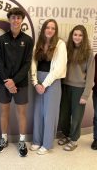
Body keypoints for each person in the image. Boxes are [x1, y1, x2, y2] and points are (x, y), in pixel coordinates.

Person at [0, 7, 33, 157]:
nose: (16, 20)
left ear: (21, 20)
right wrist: (8, 82)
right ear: (9, 19)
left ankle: (22, 141)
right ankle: (4, 139)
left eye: (18, 18)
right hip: (4, 83)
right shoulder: (1, 40)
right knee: (4, 112)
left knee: (21, 113)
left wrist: (14, 81)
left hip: (20, 84)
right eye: (13, 17)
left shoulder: (28, 40)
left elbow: (27, 64)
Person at [30, 19, 67, 155]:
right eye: (47, 27)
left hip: (52, 81)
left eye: (53, 28)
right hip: (38, 81)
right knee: (38, 112)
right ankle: (36, 141)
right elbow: (33, 63)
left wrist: (44, 84)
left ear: (55, 31)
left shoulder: (60, 44)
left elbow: (59, 68)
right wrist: (35, 82)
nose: (50, 30)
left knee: (49, 114)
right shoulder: (38, 43)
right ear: (43, 29)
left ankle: (46, 144)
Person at [57, 25, 95, 151]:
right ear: (71, 35)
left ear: (84, 37)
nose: (77, 37)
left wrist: (85, 94)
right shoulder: (66, 49)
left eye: (80, 35)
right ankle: (67, 135)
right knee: (64, 115)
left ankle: (74, 140)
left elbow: (90, 75)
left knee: (77, 117)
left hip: (79, 89)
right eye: (75, 34)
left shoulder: (89, 53)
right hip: (65, 86)